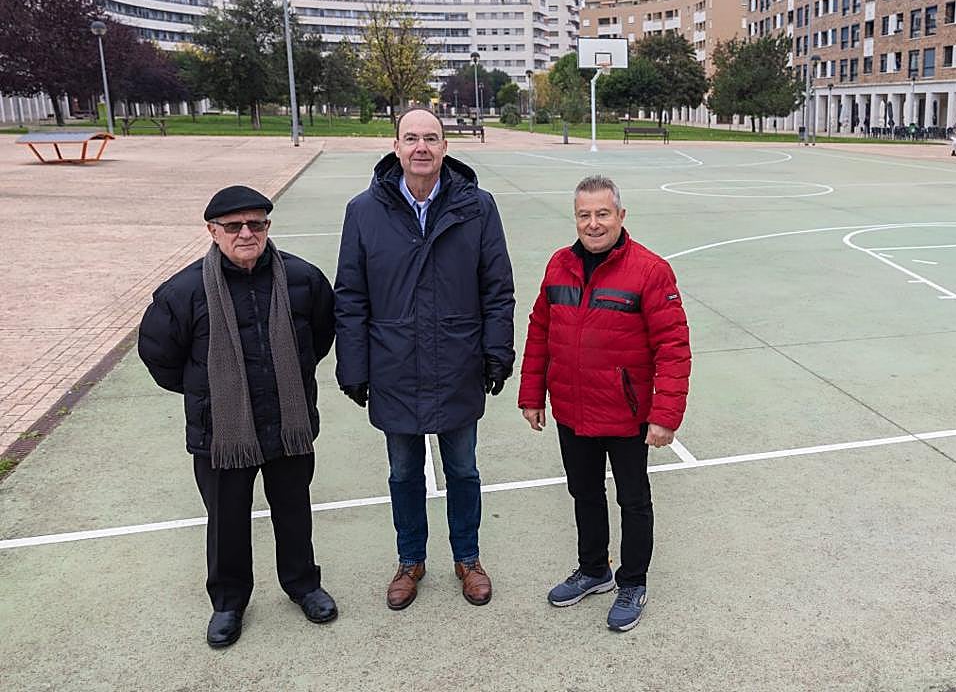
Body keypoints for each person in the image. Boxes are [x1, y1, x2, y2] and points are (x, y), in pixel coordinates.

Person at [138, 185, 338, 649]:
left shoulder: (304, 280)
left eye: (257, 224)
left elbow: (320, 338)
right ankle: (228, 603)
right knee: (226, 519)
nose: (246, 233)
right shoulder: (183, 291)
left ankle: (303, 584)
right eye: (234, 226)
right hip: (221, 432)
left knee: (294, 510)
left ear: (268, 226)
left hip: (289, 423)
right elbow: (161, 358)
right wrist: (208, 394)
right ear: (212, 231)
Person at [334, 106, 515, 611]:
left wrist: (497, 350)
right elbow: (350, 295)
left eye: (431, 138)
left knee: (462, 469)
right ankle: (410, 560)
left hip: (457, 362)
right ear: (395, 146)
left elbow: (497, 289)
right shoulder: (364, 211)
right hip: (393, 364)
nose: (421, 147)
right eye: (411, 138)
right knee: (402, 472)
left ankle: (468, 558)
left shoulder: (479, 207)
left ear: (445, 146)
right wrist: (354, 365)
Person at [517, 175, 691, 632]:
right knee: (584, 494)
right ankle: (593, 570)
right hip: (572, 410)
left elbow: (673, 347)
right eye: (584, 215)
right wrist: (532, 394)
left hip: (627, 414)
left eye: (602, 214)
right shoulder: (558, 266)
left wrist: (664, 415)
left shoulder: (651, 271)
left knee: (633, 501)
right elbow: (540, 332)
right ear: (575, 217)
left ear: (620, 216)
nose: (593, 224)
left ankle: (631, 581)